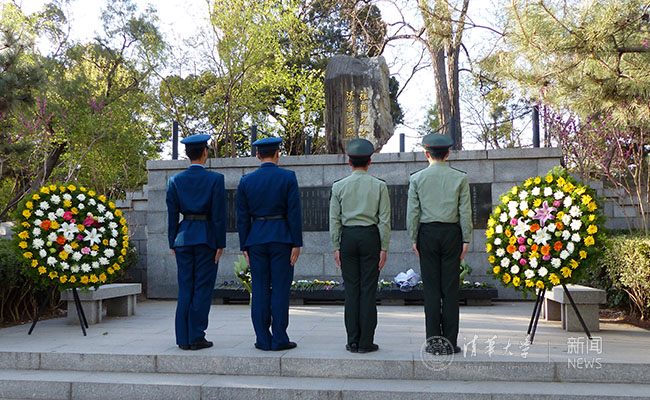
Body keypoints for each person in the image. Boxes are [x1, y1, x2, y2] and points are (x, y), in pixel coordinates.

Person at [406, 133, 472, 355]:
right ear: (448, 153)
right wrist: (466, 239)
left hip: (427, 233)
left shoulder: (417, 179)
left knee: (432, 289)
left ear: (426, 154)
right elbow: (465, 211)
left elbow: (413, 212)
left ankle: (433, 342)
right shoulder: (460, 178)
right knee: (451, 290)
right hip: (452, 233)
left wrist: (413, 238)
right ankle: (450, 342)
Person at [236, 137, 303, 351]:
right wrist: (296, 243)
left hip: (256, 239)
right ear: (277, 154)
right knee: (280, 289)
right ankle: (280, 338)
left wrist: (244, 246)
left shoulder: (246, 181)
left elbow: (242, 217)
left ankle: (263, 339)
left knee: (259, 289)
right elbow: (294, 212)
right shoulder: (288, 177)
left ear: (258, 155)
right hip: (282, 238)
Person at [329, 138, 391, 354]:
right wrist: (384, 247)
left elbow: (334, 220)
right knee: (368, 290)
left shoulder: (338, 186)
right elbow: (384, 220)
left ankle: (352, 340)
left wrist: (336, 246)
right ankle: (366, 342)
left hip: (348, 238)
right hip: (370, 237)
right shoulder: (380, 186)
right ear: (370, 161)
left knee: (351, 291)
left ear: (349, 162)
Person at [166, 134, 226, 351]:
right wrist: (220, 243)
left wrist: (172, 242)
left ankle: (183, 338)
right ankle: (196, 335)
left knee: (185, 288)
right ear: (204, 153)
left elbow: (172, 215)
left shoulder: (175, 181)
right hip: (206, 238)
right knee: (202, 288)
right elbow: (218, 215)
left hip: (183, 238)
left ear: (186, 154)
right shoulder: (215, 179)